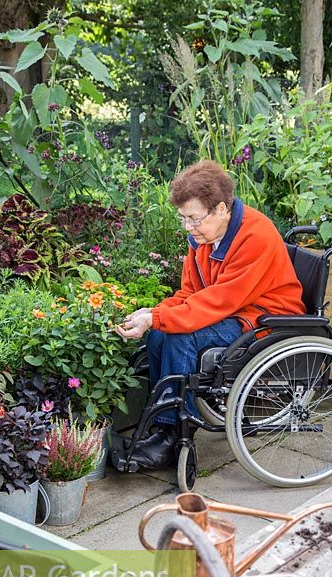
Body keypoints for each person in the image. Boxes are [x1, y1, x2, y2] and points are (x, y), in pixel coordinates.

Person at [115, 159, 306, 470]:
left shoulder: (255, 236)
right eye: (183, 219)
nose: (189, 228)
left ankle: (175, 439)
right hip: (232, 310)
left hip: (263, 319)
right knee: (160, 335)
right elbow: (190, 294)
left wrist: (159, 318)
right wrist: (154, 314)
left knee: (180, 339)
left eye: (194, 219)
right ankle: (163, 428)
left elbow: (219, 301)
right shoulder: (204, 236)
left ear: (220, 209)